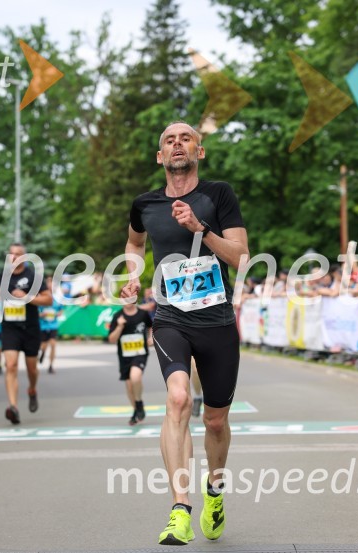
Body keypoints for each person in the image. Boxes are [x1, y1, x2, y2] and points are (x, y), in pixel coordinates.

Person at [122, 121, 248, 545]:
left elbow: (241, 258)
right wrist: (133, 275)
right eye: (169, 141)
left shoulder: (218, 195)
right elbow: (135, 245)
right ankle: (180, 508)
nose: (177, 144)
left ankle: (215, 490)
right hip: (171, 317)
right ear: (160, 157)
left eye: (185, 138)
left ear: (200, 150)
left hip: (216, 321)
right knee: (177, 398)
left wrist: (201, 229)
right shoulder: (144, 204)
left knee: (214, 421)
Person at [0, 243, 52, 424]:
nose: (14, 257)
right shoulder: (1, 277)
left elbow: (48, 300)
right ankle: (13, 407)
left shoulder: (33, 276)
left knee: (32, 368)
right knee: (10, 366)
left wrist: (26, 297)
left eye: (18, 254)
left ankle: (32, 389)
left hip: (30, 328)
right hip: (10, 327)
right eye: (11, 254)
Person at [107, 299, 153, 425]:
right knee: (129, 385)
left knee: (135, 377)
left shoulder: (143, 314)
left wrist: (151, 337)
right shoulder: (118, 316)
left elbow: (151, 326)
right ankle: (136, 411)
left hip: (140, 353)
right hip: (124, 356)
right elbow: (111, 339)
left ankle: (138, 402)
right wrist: (120, 326)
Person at [39, 276, 63, 374]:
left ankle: (51, 365)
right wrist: (42, 314)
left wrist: (58, 314)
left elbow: (61, 310)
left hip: (53, 325)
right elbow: (37, 312)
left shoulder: (57, 299)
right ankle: (42, 353)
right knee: (43, 346)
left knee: (53, 344)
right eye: (49, 285)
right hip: (43, 325)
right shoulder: (41, 298)